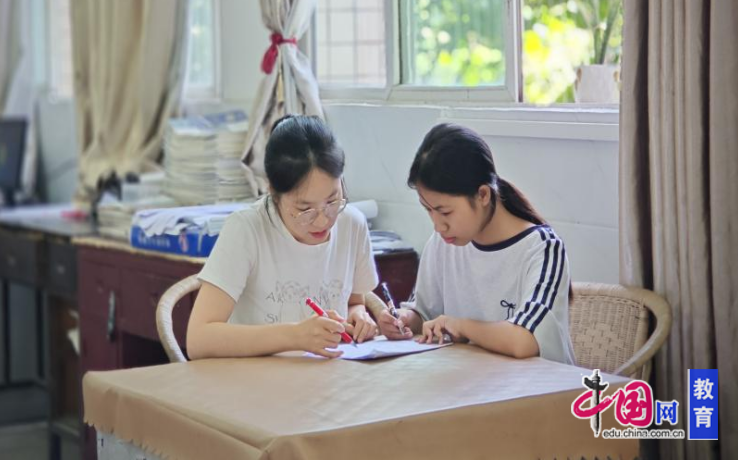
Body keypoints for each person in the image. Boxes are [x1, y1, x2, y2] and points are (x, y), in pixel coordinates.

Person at [377, 123, 575, 364]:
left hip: (536, 386)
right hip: (470, 380)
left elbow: (525, 341)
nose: (438, 225)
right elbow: (424, 313)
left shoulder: (542, 248)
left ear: (483, 195)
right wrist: (405, 320)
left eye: (445, 212)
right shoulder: (443, 243)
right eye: (428, 210)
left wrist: (461, 326)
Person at [187, 115, 379, 359]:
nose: (323, 220)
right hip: (257, 378)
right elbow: (199, 340)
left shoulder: (352, 223)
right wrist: (294, 336)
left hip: (329, 377)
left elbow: (354, 301)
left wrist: (358, 316)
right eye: (305, 209)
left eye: (332, 201)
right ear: (273, 192)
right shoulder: (247, 229)